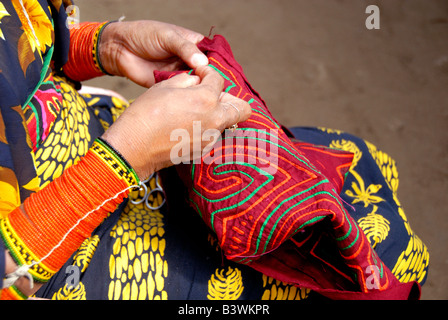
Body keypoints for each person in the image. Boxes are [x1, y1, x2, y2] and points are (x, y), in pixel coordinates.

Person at [0, 0, 428, 300]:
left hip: (97, 140)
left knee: (357, 160)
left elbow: (22, 43)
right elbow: (8, 281)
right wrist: (127, 157)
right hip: (64, 261)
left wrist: (98, 46)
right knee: (382, 249)